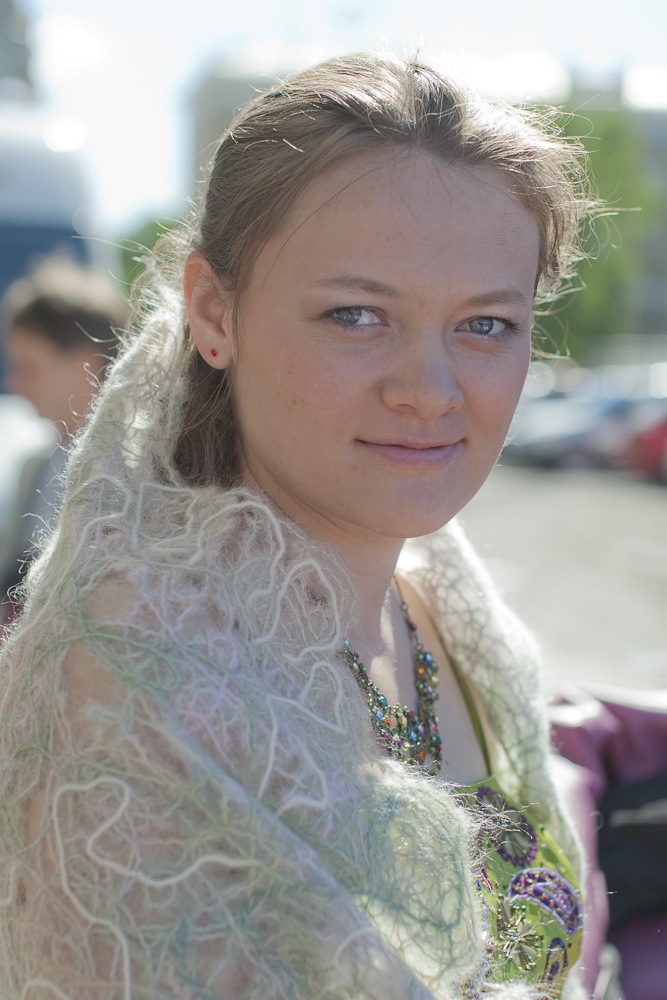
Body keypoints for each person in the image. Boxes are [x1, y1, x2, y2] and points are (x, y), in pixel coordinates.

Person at [0, 52, 596, 997]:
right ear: (214, 314)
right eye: (356, 315)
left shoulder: (444, 612)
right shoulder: (145, 664)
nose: (428, 390)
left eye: (485, 325)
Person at [0, 254, 126, 621]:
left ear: (85, 366)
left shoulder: (130, 470)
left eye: (28, 368)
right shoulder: (37, 465)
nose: (14, 384)